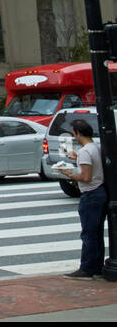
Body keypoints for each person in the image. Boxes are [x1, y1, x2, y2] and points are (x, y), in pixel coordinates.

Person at [61, 118, 107, 279]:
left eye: (73, 132)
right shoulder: (94, 147)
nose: (73, 136)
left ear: (77, 132)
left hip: (91, 194)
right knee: (96, 232)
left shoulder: (85, 152)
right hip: (100, 192)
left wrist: (70, 174)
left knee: (88, 233)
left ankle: (87, 268)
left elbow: (86, 177)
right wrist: (77, 158)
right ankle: (96, 266)